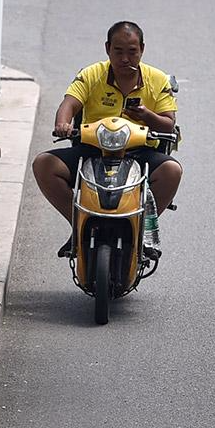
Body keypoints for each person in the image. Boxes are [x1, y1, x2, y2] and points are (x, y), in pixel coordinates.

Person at [32, 21, 182, 257]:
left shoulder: (158, 80)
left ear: (142, 49)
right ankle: (79, 224)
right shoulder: (91, 74)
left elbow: (168, 123)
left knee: (172, 171)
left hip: (139, 152)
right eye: (118, 51)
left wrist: (146, 115)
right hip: (93, 149)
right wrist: (63, 123)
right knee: (44, 164)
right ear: (107, 49)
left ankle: (139, 232)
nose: (125, 59)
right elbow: (69, 103)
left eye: (132, 52)